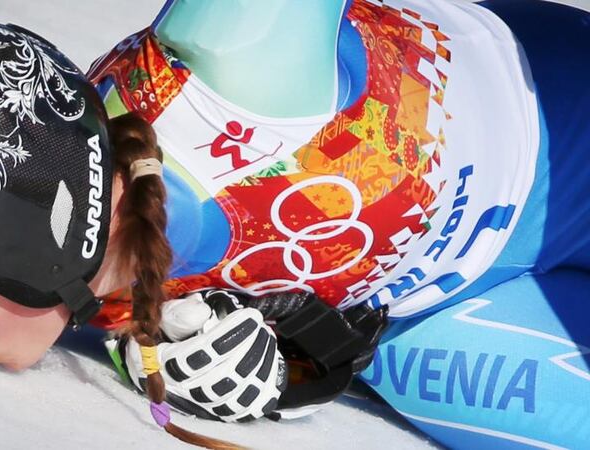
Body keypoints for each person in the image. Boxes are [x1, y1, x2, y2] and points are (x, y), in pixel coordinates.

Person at [85, 0, 590, 448]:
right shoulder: (93, 291)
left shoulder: (225, 77)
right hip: (424, 320)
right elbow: (311, 355)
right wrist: (293, 371)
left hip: (557, 125)